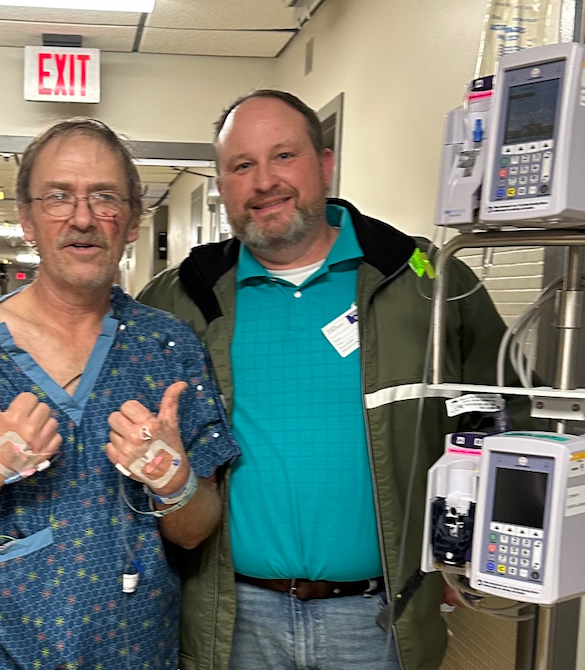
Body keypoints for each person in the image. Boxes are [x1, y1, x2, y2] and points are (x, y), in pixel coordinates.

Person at [136, 89, 516, 670]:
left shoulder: (423, 280)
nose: (264, 181)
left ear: (325, 164)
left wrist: (471, 552)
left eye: (283, 156)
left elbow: (506, 415)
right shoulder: (179, 298)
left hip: (376, 622)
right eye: (242, 166)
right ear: (222, 185)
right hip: (232, 621)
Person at [0, 118, 240, 670]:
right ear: (26, 218)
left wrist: (174, 481)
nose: (82, 218)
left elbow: (195, 533)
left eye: (105, 197)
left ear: (134, 223)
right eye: (58, 197)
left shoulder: (168, 347)